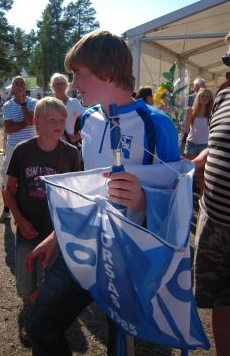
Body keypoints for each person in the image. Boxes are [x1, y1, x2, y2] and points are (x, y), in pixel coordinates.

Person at [24, 29, 180, 356]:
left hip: (127, 259)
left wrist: (145, 199)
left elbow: (178, 199)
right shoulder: (90, 119)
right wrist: (58, 235)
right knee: (39, 328)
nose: (74, 83)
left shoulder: (157, 125)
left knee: (120, 345)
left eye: (78, 74)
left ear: (107, 73)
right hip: (84, 245)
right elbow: (90, 187)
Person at [4, 97, 80, 312]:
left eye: (62, 119)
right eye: (52, 119)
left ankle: (40, 320)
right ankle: (36, 308)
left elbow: (75, 195)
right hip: (27, 229)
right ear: (36, 122)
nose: (59, 124)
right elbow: (8, 190)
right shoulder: (22, 150)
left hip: (56, 231)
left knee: (54, 281)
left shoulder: (71, 154)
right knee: (25, 284)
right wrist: (19, 218)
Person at [193, 85, 230, 356]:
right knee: (221, 299)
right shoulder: (225, 96)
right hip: (215, 221)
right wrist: (199, 161)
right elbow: (215, 145)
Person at [0, 76, 37, 224]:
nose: (19, 85)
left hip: (31, 147)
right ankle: (6, 211)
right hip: (13, 148)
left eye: (22, 83)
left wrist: (23, 103)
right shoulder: (7, 105)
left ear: (26, 88)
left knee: (28, 182)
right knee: (6, 181)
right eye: (16, 83)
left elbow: (31, 121)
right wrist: (26, 121)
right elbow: (9, 129)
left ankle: (22, 213)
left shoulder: (33, 103)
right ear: (12, 88)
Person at [182, 88, 214, 194]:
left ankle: (202, 197)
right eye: (202, 96)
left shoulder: (212, 113)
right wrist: (187, 115)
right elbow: (186, 129)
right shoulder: (192, 111)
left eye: (207, 96)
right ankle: (187, 196)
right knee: (189, 171)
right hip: (191, 144)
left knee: (203, 174)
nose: (204, 98)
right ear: (198, 97)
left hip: (205, 146)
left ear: (210, 99)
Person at [50, 73, 84, 144]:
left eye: (62, 83)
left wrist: (77, 136)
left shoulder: (73, 102)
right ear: (52, 86)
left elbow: (88, 120)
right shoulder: (48, 103)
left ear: (67, 85)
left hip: (67, 145)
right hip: (50, 143)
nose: (60, 86)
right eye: (57, 84)